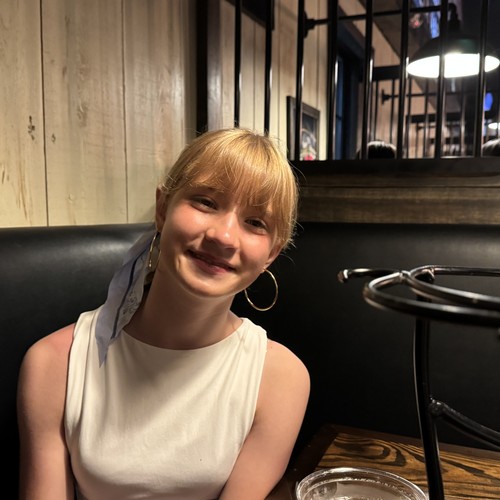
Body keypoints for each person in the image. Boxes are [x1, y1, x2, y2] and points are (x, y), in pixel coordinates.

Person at [17, 127, 310, 500]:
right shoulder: (54, 364)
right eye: (206, 202)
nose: (223, 236)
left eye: (255, 223)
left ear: (271, 253)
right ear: (162, 209)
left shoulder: (281, 380)